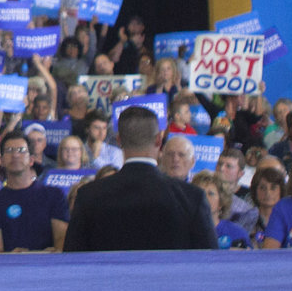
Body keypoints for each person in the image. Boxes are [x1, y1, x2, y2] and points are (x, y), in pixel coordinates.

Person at [61, 105, 215, 252]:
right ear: (158, 141)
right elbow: (211, 264)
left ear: (119, 140)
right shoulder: (192, 198)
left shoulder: (89, 196)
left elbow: (71, 263)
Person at [0, 131, 67, 253]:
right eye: (9, 150)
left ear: (31, 160)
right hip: (9, 268)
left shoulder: (54, 195)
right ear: (1, 161)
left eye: (21, 150)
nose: (15, 155)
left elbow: (61, 239)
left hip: (48, 267)